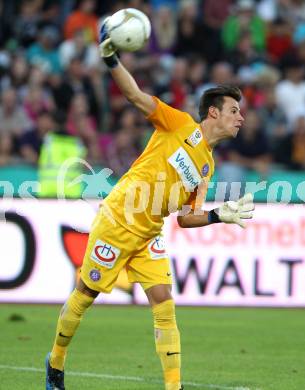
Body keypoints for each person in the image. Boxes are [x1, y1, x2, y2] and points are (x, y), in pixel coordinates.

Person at [45, 16, 255, 390]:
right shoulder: (179, 125)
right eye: (235, 110)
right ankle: (56, 364)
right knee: (85, 294)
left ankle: (173, 387)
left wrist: (216, 214)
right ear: (213, 113)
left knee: (164, 302)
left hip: (149, 232)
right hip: (118, 220)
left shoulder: (207, 165)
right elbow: (136, 97)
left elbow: (185, 218)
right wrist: (112, 60)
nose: (241, 117)